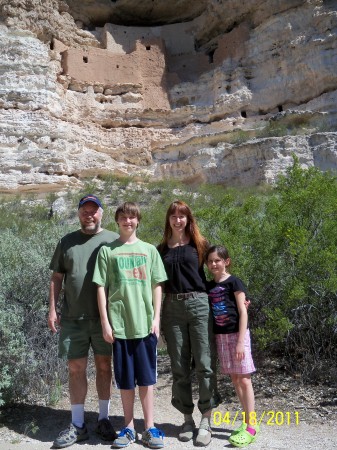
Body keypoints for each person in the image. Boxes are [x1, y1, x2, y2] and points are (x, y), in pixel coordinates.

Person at [93, 202, 168, 449]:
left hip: (145, 326)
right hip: (119, 326)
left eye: (132, 217)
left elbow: (158, 285)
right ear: (117, 221)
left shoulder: (149, 250)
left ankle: (149, 428)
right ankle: (128, 427)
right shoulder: (107, 251)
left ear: (138, 221)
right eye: (123, 217)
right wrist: (105, 321)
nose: (128, 221)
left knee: (147, 380)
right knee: (125, 381)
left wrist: (156, 318)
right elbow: (101, 287)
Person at [48, 194, 119, 449]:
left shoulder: (113, 240)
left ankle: (103, 419)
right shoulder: (67, 242)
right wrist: (52, 309)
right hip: (73, 318)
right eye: (84, 211)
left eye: (94, 210)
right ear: (78, 214)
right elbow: (57, 278)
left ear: (102, 213)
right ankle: (77, 424)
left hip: (105, 320)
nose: (89, 215)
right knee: (75, 368)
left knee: (104, 366)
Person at [157, 200, 221, 447]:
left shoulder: (200, 245)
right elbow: (157, 284)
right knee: (179, 366)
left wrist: (234, 296)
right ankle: (187, 419)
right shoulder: (161, 249)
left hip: (199, 305)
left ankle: (206, 419)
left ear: (188, 219)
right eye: (173, 216)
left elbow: (217, 272)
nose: (177, 220)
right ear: (168, 220)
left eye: (182, 216)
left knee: (205, 363)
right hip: (172, 307)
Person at [205, 245, 259, 448]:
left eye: (217, 260)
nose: (213, 264)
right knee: (235, 379)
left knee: (244, 379)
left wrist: (240, 342)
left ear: (226, 261)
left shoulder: (235, 282)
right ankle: (246, 421)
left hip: (238, 335)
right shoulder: (209, 286)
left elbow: (243, 311)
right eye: (210, 261)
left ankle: (251, 425)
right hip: (221, 337)